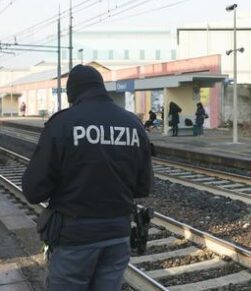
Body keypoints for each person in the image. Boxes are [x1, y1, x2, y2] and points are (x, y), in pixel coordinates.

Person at [21, 65, 154, 291]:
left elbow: (34, 190)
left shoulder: (62, 124)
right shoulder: (133, 124)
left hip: (75, 238)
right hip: (118, 235)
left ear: (72, 94)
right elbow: (143, 187)